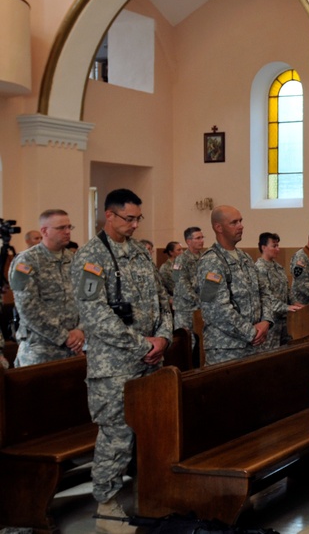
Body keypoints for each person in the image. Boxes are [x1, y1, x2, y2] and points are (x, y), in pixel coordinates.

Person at [72, 189, 172, 533]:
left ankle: (151, 495)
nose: (134, 225)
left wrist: (164, 337)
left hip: (149, 362)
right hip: (113, 367)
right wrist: (139, 344)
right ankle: (107, 504)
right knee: (115, 436)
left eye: (137, 218)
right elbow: (95, 314)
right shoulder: (90, 257)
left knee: (151, 432)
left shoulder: (140, 254)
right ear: (109, 216)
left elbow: (161, 299)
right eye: (128, 218)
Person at [196, 206, 274, 365]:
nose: (241, 226)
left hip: (255, 346)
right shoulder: (211, 262)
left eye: (240, 221)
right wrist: (251, 332)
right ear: (218, 227)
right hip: (227, 351)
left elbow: (264, 292)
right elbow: (215, 309)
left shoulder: (245, 258)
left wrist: (266, 321)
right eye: (234, 222)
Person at [8, 209, 83, 366]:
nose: (68, 232)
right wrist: (64, 336)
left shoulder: (75, 259)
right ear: (44, 231)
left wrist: (80, 330)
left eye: (69, 227)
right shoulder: (25, 262)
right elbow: (27, 307)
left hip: (74, 348)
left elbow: (88, 298)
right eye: (61, 228)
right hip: (40, 349)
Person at [255, 232, 303, 348]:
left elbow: (287, 289)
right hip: (270, 322)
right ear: (263, 247)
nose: (278, 249)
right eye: (274, 246)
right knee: (270, 357)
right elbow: (266, 297)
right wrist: (286, 307)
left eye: (278, 245)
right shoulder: (259, 268)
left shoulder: (278, 267)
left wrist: (295, 302)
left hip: (285, 321)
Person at [171, 226, 205, 336]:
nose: (201, 241)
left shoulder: (204, 258)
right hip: (185, 309)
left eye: (202, 237)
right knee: (186, 342)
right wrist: (200, 301)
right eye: (198, 238)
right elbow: (179, 283)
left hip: (200, 308)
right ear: (188, 241)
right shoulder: (180, 259)